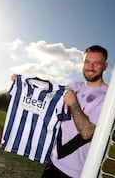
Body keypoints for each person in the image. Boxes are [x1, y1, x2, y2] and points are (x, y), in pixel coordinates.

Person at [41, 45, 108, 178]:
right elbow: (50, 91)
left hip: (75, 173)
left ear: (105, 66)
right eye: (87, 62)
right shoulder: (74, 86)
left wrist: (73, 103)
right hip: (53, 162)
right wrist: (22, 82)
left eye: (96, 63)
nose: (90, 67)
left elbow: (87, 132)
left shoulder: (107, 97)